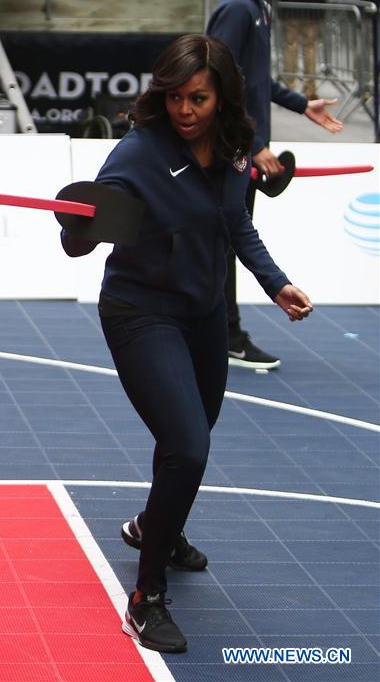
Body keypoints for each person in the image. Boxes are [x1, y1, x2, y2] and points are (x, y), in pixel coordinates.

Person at [60, 34, 313, 652]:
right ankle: (146, 598)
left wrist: (276, 283)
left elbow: (235, 223)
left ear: (222, 96)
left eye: (197, 96)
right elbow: (79, 238)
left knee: (190, 437)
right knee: (188, 444)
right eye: (174, 97)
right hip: (141, 313)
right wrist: (80, 224)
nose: (184, 109)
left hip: (202, 317)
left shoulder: (230, 149)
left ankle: (157, 529)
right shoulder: (138, 153)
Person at [206, 0, 339, 369]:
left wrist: (301, 104)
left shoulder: (257, 7)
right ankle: (225, 336)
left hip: (241, 149)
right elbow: (218, 76)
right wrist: (254, 143)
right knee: (225, 241)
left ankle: (221, 334)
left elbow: (256, 79)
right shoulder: (238, 7)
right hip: (231, 150)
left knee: (226, 242)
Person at [279, 0, 327, 99]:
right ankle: (310, 88)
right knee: (310, 47)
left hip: (290, 6)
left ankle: (289, 86)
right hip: (313, 8)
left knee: (290, 46)